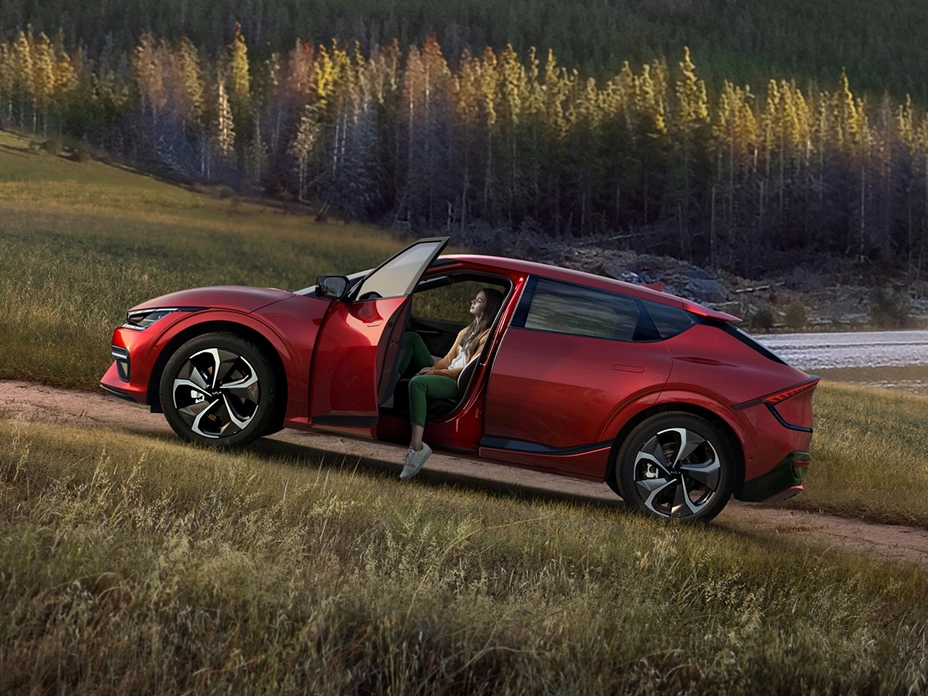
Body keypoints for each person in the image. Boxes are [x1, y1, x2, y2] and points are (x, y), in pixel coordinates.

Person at [396, 287, 504, 479]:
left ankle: (417, 447)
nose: (472, 302)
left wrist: (435, 372)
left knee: (417, 383)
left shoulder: (487, 337)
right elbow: (448, 360)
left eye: (479, 300)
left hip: (454, 381)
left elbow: (466, 370)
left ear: (489, 308)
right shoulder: (466, 331)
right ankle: (390, 382)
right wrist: (432, 367)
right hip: (446, 372)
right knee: (412, 338)